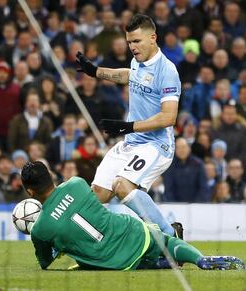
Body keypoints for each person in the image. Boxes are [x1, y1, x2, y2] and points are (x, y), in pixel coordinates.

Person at [20, 161, 245, 271]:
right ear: (50, 176)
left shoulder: (40, 230)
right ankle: (199, 259)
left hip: (109, 262)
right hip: (131, 232)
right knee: (167, 240)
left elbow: (45, 262)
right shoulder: (77, 183)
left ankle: (160, 263)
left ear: (29, 191)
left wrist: (55, 244)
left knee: (141, 264)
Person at [76, 14, 182, 238]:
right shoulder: (138, 61)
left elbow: (169, 117)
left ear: (152, 38)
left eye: (137, 41)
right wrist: (95, 72)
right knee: (97, 195)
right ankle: (80, 242)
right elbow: (130, 76)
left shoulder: (168, 71)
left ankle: (170, 235)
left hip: (156, 145)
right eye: (129, 42)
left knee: (122, 185)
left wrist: (129, 127)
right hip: (131, 142)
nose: (132, 47)